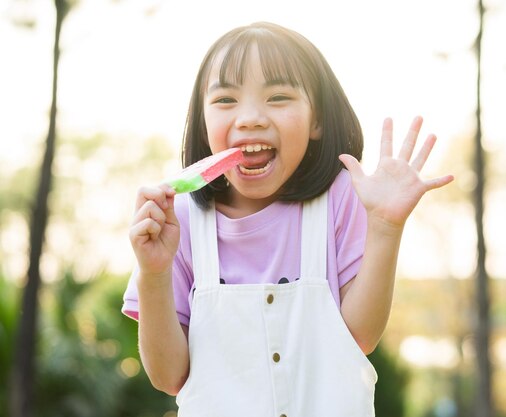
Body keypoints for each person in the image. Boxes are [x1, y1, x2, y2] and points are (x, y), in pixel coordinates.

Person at [123, 21, 453, 416]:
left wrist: (385, 227)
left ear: (316, 121)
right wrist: (154, 274)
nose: (249, 118)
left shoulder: (341, 198)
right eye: (225, 100)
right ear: (202, 122)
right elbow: (168, 377)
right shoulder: (178, 220)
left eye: (278, 96)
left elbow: (360, 337)